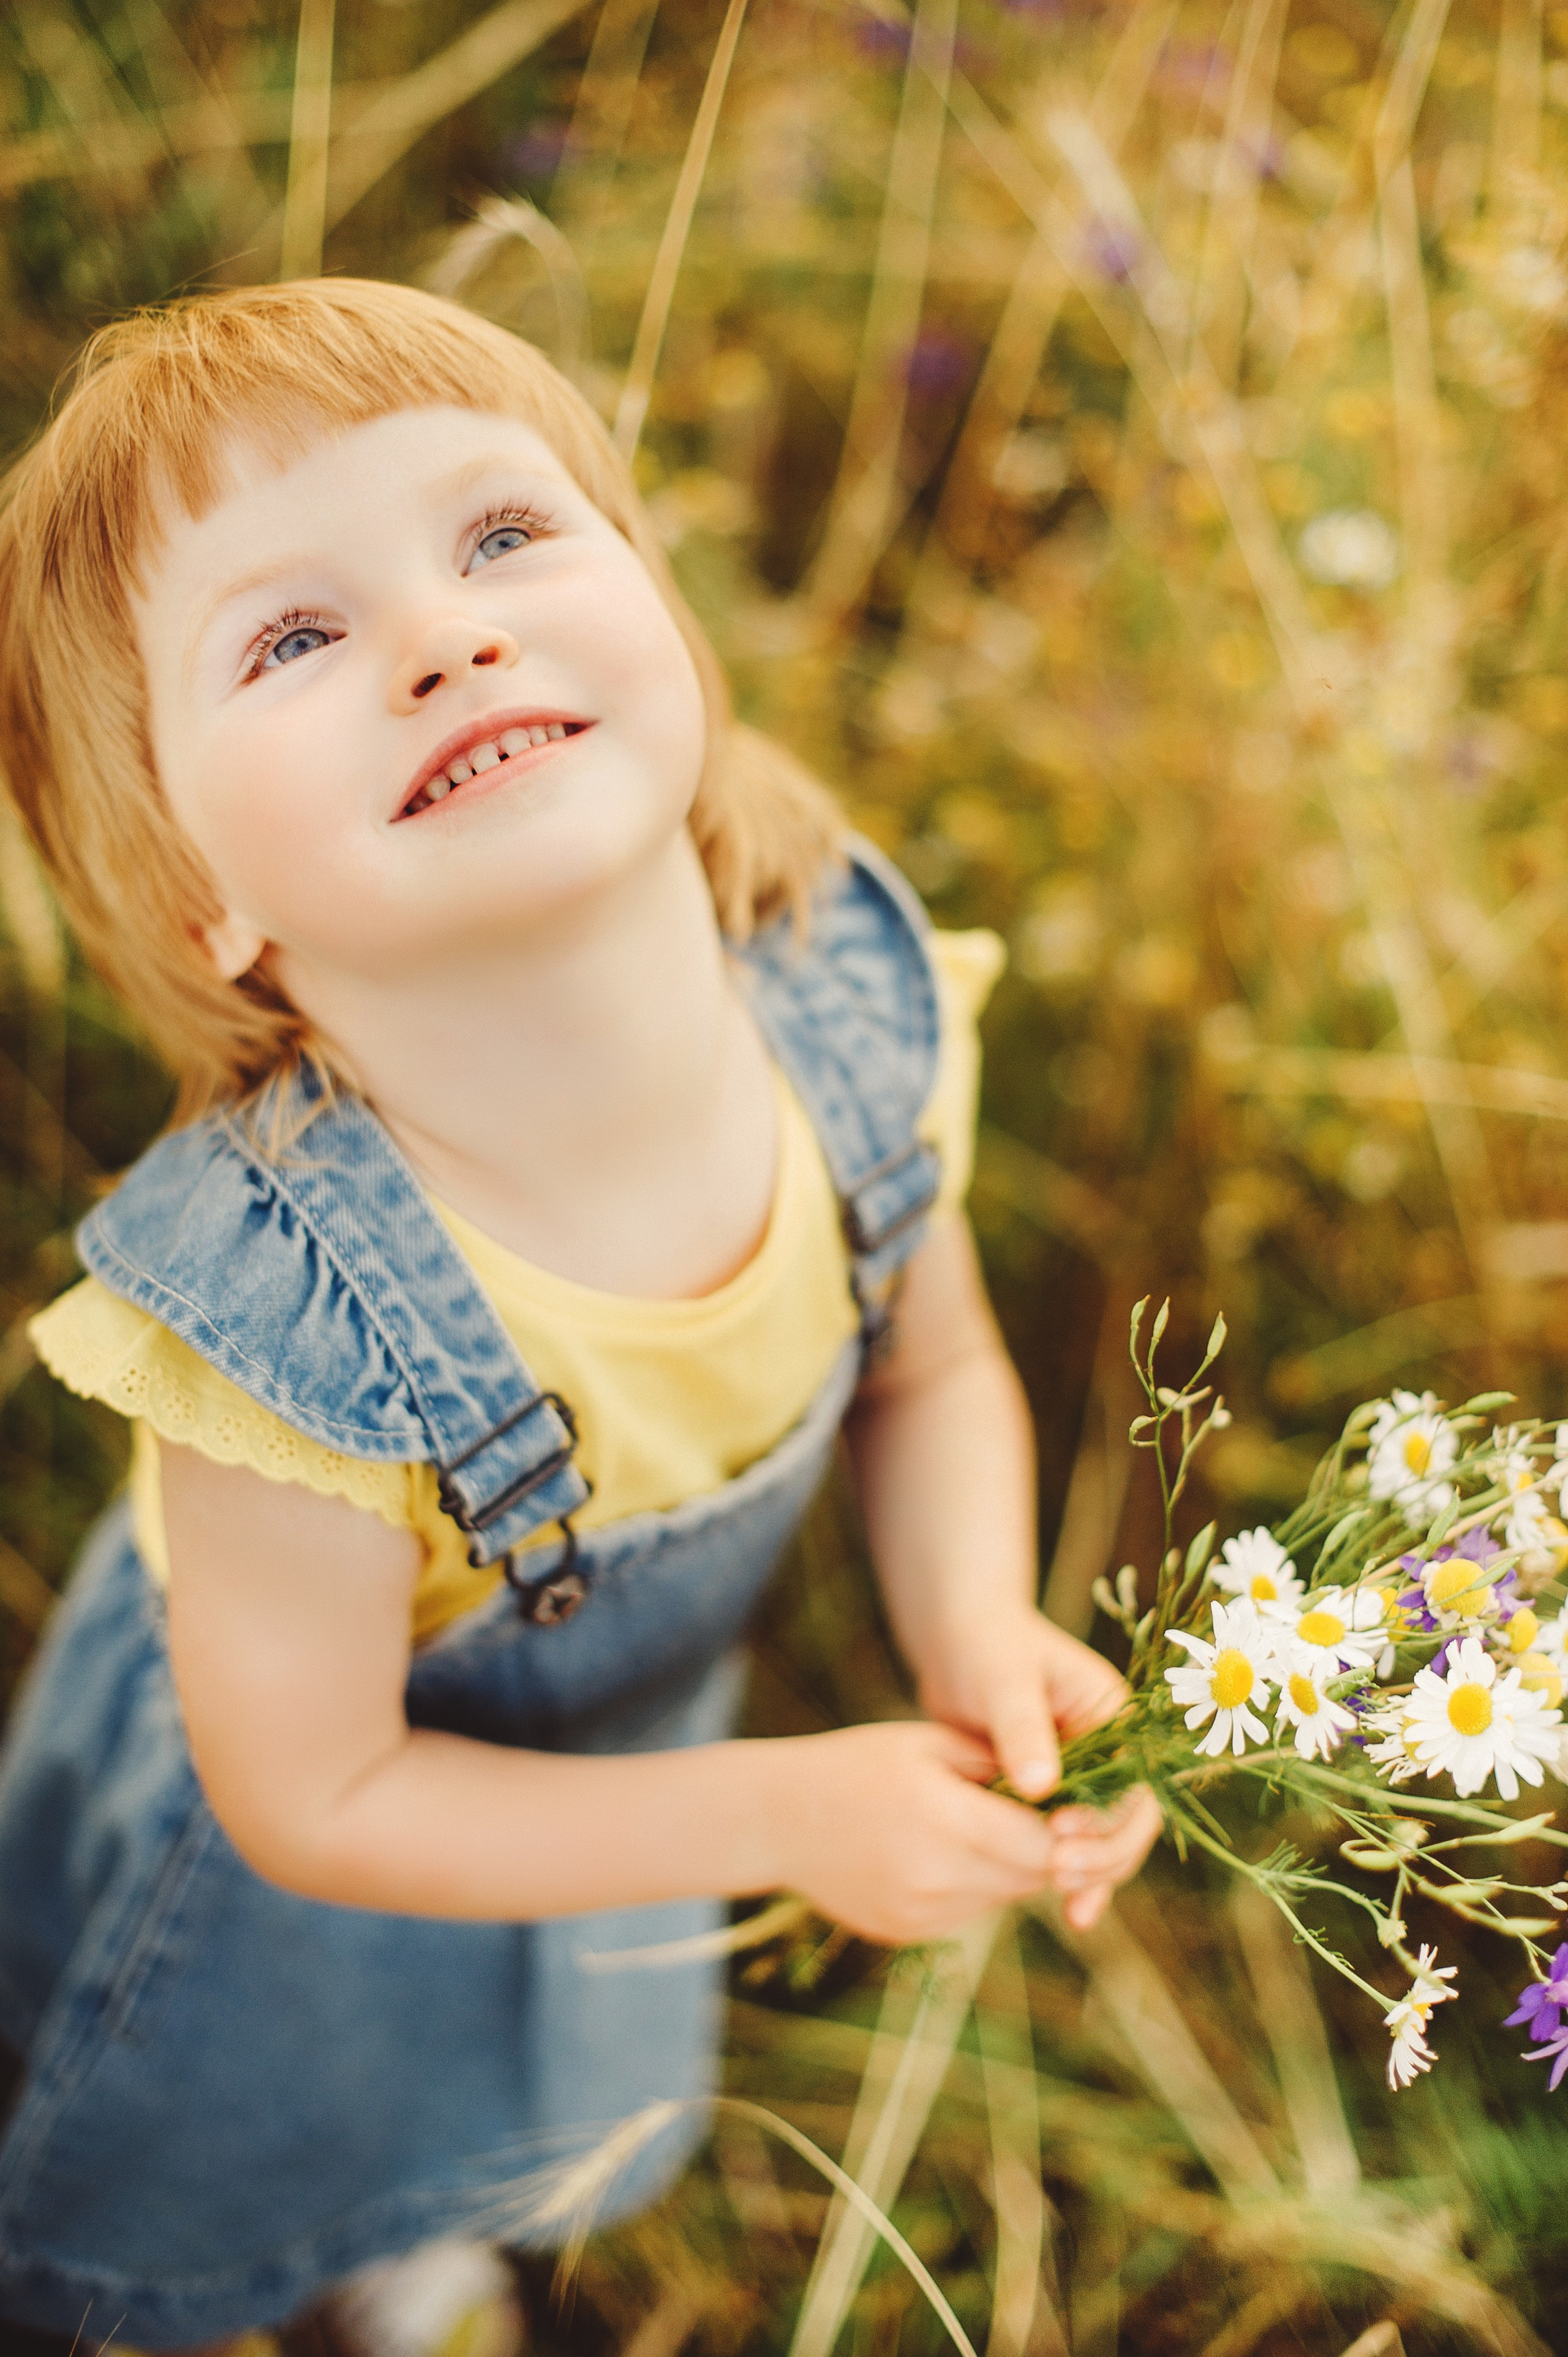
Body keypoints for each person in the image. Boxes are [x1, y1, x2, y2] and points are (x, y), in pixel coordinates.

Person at [0, 279, 1159, 2351]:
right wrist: (784, 1811)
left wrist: (972, 1621)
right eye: (291, 638)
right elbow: (320, 1801)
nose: (447, 636)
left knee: (512, 2082)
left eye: (505, 535)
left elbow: (937, 1368)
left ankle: (425, 2232)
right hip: (289, 1842)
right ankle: (294, 2260)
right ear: (204, 898)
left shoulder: (838, 1011)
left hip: (624, 1771)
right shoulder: (275, 1324)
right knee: (243, 2132)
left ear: (667, 620)